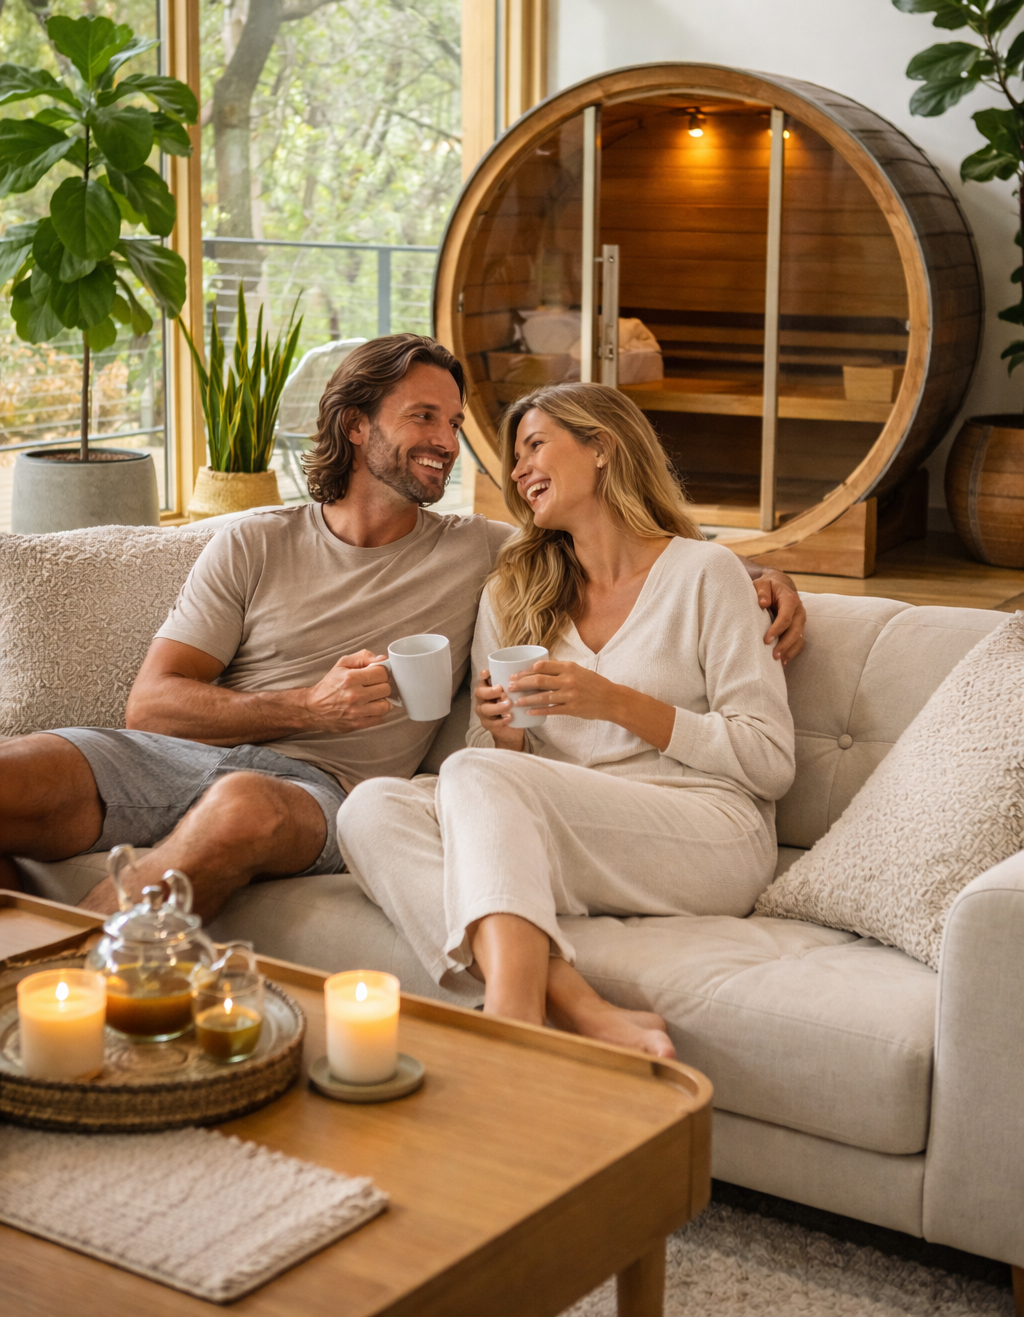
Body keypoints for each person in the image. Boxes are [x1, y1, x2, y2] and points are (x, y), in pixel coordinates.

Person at [0, 337, 804, 923]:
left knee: (244, 803)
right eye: (424, 417)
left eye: (453, 423)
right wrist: (307, 705)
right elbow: (150, 707)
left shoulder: (482, 553)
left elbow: (622, 543)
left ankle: (61, 974)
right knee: (17, 772)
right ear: (356, 425)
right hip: (178, 757)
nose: (448, 443)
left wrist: (761, 575)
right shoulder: (255, 541)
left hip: (322, 793)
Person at [336, 383, 797, 1058]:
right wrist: (505, 733)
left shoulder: (707, 574)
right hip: (569, 830)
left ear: (601, 448)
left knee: (475, 774)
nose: (519, 470)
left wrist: (614, 701)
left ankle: (512, 1023)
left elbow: (769, 761)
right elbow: (488, 767)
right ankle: (580, 1005)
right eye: (515, 458)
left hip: (708, 829)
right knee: (370, 808)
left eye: (535, 446)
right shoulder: (513, 589)